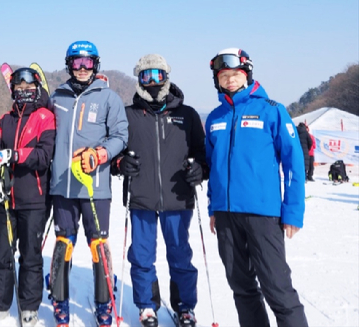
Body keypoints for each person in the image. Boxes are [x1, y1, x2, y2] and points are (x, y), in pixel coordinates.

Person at [205, 48, 308, 327]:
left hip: (263, 214)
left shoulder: (272, 110)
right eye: (223, 75)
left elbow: (294, 164)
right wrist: (213, 207)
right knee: (242, 288)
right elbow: (213, 168)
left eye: (235, 74)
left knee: (277, 289)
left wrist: (293, 211)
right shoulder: (214, 117)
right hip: (226, 216)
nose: (229, 80)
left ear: (247, 73)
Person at [110, 54, 207, 327]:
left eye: (158, 75)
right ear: (138, 79)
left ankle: (185, 307)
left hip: (178, 198)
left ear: (167, 77)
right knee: (141, 256)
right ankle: (146, 306)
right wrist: (120, 164)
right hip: (141, 198)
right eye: (145, 76)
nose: (152, 82)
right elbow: (115, 154)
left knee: (180, 254)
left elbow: (202, 155)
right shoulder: (129, 115)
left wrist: (199, 169)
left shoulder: (186, 114)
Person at [47, 40, 128, 327]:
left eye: (88, 63)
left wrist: (101, 153)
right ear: (69, 65)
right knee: (62, 245)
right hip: (62, 186)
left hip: (95, 187)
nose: (82, 68)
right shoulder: (57, 97)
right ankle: (59, 301)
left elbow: (120, 136)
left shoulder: (109, 98)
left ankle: (104, 304)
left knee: (98, 246)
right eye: (77, 63)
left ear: (96, 65)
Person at [0, 67, 56, 327]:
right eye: (19, 87)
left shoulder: (45, 117)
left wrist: (16, 155)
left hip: (34, 199)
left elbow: (44, 156)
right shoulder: (6, 120)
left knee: (31, 256)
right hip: (7, 199)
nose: (24, 91)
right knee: (1, 254)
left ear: (37, 87)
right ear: (13, 90)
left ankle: (29, 308)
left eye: (29, 87)